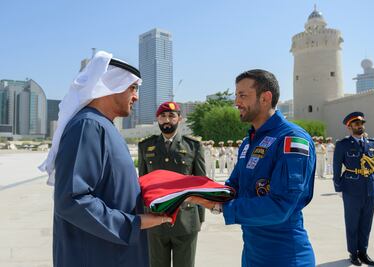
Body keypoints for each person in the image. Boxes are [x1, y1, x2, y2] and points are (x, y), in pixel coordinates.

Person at [39, 51, 171, 267]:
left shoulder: (103, 126)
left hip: (115, 252)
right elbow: (72, 200)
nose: (136, 96)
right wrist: (135, 223)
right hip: (97, 255)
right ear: (111, 85)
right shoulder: (88, 126)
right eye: (132, 88)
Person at [188, 69, 316, 266]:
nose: (236, 102)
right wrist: (195, 190)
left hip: (285, 256)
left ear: (265, 98)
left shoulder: (291, 139)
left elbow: (281, 206)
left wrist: (220, 206)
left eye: (242, 95)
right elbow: (234, 186)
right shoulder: (250, 142)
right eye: (236, 95)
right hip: (252, 254)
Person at [138, 101, 206, 267]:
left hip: (186, 220)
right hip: (155, 220)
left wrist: (199, 217)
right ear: (158, 119)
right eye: (163, 116)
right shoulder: (146, 146)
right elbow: (143, 184)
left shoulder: (193, 146)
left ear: (179, 119)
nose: (167, 119)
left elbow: (201, 184)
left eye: (171, 116)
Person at [333, 111, 374, 266]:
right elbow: (336, 167)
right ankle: (353, 253)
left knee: (366, 222)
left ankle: (363, 252)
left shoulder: (373, 144)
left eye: (361, 123)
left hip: (369, 189)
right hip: (351, 188)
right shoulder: (343, 145)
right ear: (349, 127)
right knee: (352, 222)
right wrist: (338, 187)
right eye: (356, 124)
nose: (359, 126)